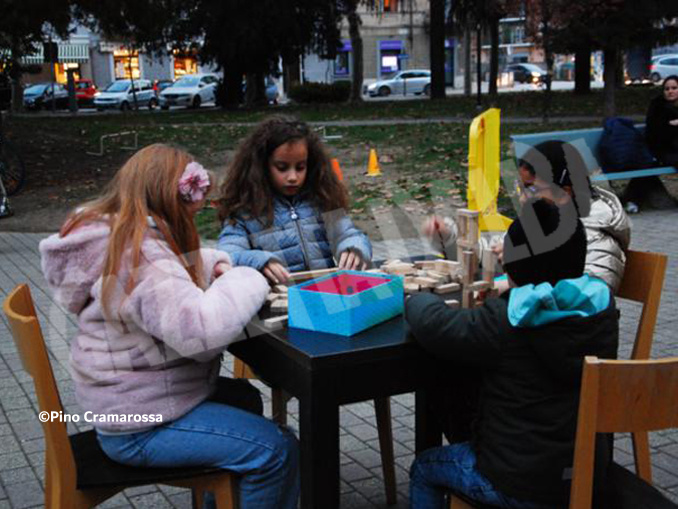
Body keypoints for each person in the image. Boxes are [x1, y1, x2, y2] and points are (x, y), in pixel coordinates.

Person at [39, 144, 299, 509]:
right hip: (142, 428)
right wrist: (246, 278)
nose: (191, 220)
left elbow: (169, 275)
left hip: (124, 408)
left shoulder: (116, 237)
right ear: (170, 199)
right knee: (278, 450)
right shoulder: (143, 257)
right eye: (189, 211)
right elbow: (201, 334)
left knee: (244, 398)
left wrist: (210, 266)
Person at [407, 199, 619, 508]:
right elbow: (548, 294)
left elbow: (436, 326)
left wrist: (417, 299)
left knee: (424, 467)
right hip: (585, 474)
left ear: (515, 267)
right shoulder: (600, 310)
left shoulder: (509, 320)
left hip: (518, 482)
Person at [423, 140, 630, 293]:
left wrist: (519, 285)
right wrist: (448, 236)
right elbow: (488, 257)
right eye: (520, 188)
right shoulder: (545, 218)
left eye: (531, 189)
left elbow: (589, 297)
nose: (522, 199)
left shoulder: (598, 236)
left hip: (568, 345)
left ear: (566, 192)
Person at [217, 115, 371, 283]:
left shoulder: (321, 198)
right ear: (262, 166)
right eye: (282, 168)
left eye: (300, 167)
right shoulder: (245, 210)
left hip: (324, 295)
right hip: (277, 302)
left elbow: (346, 233)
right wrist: (257, 260)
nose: (293, 177)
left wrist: (354, 247)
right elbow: (228, 255)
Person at [645, 75, 678, 167]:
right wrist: (670, 126)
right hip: (664, 150)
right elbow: (655, 132)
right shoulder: (657, 107)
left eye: (674, 88)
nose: (670, 91)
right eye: (666, 89)